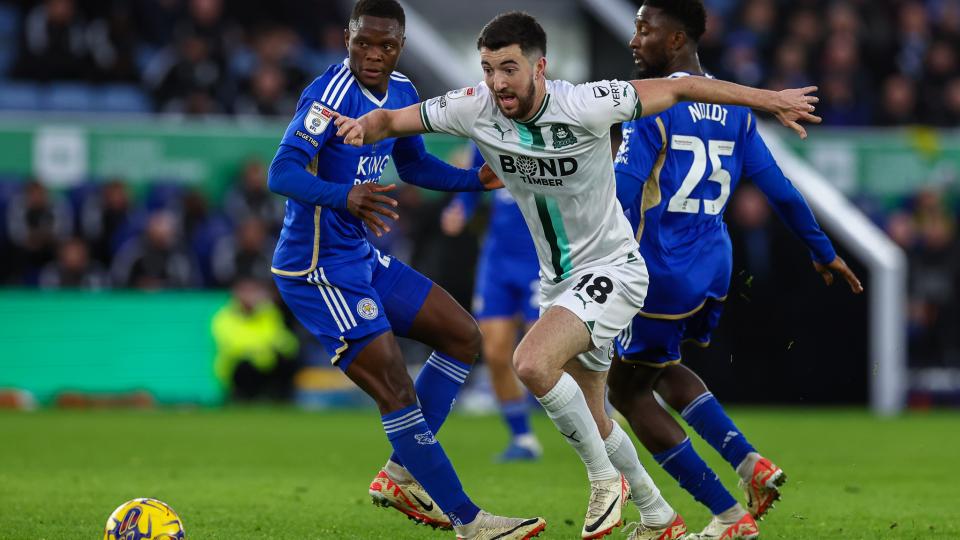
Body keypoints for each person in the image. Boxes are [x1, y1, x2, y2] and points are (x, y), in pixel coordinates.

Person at [335, 10, 819, 539]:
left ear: (540, 67)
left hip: (615, 269)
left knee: (531, 362)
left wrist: (770, 101)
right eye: (489, 68)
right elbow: (394, 121)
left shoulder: (587, 102)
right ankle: (667, 518)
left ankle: (604, 482)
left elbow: (686, 89)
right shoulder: (472, 107)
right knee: (595, 411)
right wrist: (364, 126)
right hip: (560, 283)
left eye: (510, 69)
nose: (498, 82)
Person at [266, 1, 545, 538]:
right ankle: (469, 521)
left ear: (401, 44)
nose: (373, 55)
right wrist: (344, 196)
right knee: (396, 387)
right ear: (347, 38)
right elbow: (282, 172)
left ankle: (402, 474)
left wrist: (476, 181)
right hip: (317, 269)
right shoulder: (327, 98)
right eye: (362, 43)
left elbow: (414, 164)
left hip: (362, 259)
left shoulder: (401, 90)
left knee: (463, 336)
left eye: (385, 46)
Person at [606, 2, 864, 539]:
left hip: (661, 268)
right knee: (657, 365)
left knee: (625, 392)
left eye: (644, 30)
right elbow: (780, 190)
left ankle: (727, 516)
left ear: (676, 40)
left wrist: (606, 252)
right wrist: (821, 249)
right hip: (714, 268)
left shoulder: (652, 105)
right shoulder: (734, 106)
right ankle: (751, 465)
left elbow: (626, 190)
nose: (635, 40)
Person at [441, 145, 543, 462]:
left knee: (544, 356)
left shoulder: (555, 125)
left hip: (541, 256)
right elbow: (474, 183)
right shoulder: (486, 132)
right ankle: (523, 438)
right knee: (496, 352)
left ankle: (592, 427)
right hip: (498, 259)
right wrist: (461, 208)